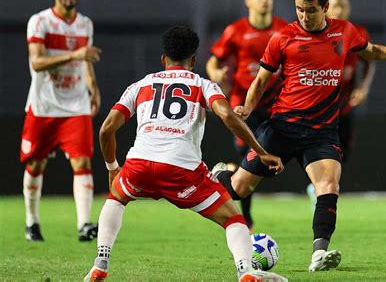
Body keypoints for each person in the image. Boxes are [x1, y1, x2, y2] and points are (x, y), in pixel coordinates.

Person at [215, 0, 386, 272]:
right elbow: (260, 81)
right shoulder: (283, 37)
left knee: (328, 184)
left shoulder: (344, 32)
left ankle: (319, 253)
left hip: (321, 132)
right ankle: (219, 176)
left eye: (310, 10)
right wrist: (247, 107)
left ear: (326, 7)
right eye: (299, 10)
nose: (304, 16)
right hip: (281, 127)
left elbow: (372, 51)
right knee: (239, 189)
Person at [83, 26, 287, 282]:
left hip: (139, 165)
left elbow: (106, 130)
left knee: (115, 199)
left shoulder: (142, 84)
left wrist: (113, 167)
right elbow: (227, 116)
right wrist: (260, 151)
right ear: (193, 60)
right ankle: (245, 270)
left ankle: (101, 262)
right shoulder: (203, 84)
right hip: (182, 170)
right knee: (233, 218)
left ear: (163, 59)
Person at [20, 0, 102, 242]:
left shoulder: (85, 24)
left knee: (82, 161)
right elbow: (37, 62)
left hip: (75, 105)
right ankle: (32, 223)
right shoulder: (40, 21)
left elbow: (86, 60)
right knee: (36, 163)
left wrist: (93, 87)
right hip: (44, 104)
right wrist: (76, 54)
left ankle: (84, 225)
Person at [206, 0, 287, 230]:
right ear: (248, 1)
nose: (265, 0)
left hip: (274, 104)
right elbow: (213, 62)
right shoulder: (236, 30)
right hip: (242, 105)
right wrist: (216, 75)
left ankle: (226, 173)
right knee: (248, 157)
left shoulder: (283, 29)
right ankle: (247, 218)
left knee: (265, 161)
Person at [306, 0, 376, 200]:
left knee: (343, 148)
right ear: (326, 8)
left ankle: (325, 186)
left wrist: (363, 88)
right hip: (317, 106)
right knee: (314, 148)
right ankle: (320, 185)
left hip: (343, 105)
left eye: (343, 6)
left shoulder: (356, 33)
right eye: (335, 5)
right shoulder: (316, 32)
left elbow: (370, 61)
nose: (339, 10)